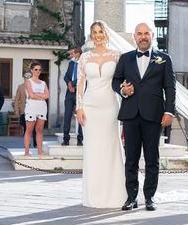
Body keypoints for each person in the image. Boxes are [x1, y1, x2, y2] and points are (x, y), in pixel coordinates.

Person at [112, 22, 176, 211]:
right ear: (135, 37)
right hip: (130, 114)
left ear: (152, 35)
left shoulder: (164, 59)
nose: (143, 37)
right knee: (130, 158)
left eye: (146, 33)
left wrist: (169, 111)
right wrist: (123, 90)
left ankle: (149, 197)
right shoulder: (125, 58)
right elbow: (115, 81)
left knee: (152, 158)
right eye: (139, 34)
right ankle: (131, 197)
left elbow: (170, 87)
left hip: (154, 114)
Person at [76, 22, 126, 208]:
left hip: (109, 107)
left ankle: (116, 194)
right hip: (89, 108)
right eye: (94, 32)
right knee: (92, 150)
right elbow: (80, 83)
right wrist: (79, 108)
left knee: (110, 149)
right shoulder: (84, 57)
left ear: (106, 33)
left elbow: (121, 80)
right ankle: (94, 195)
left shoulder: (116, 55)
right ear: (91, 35)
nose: (97, 35)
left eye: (100, 32)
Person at [24, 62, 49, 156]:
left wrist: (36, 95)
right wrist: (41, 96)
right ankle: (27, 151)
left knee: (39, 130)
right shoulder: (28, 82)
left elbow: (47, 95)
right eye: (36, 69)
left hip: (42, 108)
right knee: (29, 129)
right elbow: (31, 95)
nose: (38, 71)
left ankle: (40, 151)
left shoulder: (43, 83)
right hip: (31, 108)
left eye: (39, 70)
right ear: (31, 70)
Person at [63, 46, 83, 146]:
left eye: (72, 54)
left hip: (80, 92)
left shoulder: (84, 63)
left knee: (80, 115)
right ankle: (65, 139)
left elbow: (83, 77)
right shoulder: (71, 63)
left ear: (77, 54)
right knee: (67, 116)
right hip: (70, 93)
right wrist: (69, 84)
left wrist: (73, 84)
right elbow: (66, 76)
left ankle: (80, 139)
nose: (70, 56)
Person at [14, 72, 36, 146]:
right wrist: (16, 110)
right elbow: (17, 99)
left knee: (34, 128)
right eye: (26, 78)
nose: (27, 79)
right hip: (24, 111)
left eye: (29, 78)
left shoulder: (35, 87)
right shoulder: (20, 87)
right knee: (26, 128)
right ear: (24, 79)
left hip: (33, 110)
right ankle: (27, 143)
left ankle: (35, 143)